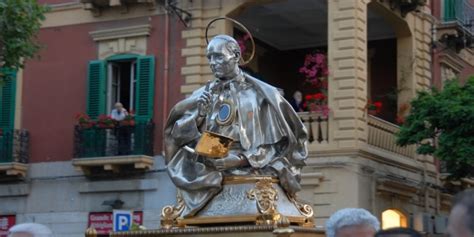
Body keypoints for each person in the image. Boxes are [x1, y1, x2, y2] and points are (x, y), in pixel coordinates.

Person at [164, 34, 308, 217]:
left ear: (236, 56)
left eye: (219, 56)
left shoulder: (262, 96)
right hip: (211, 166)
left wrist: (241, 159)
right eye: (210, 58)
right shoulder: (202, 95)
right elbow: (177, 136)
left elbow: (279, 144)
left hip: (249, 164)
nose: (213, 63)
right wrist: (199, 115)